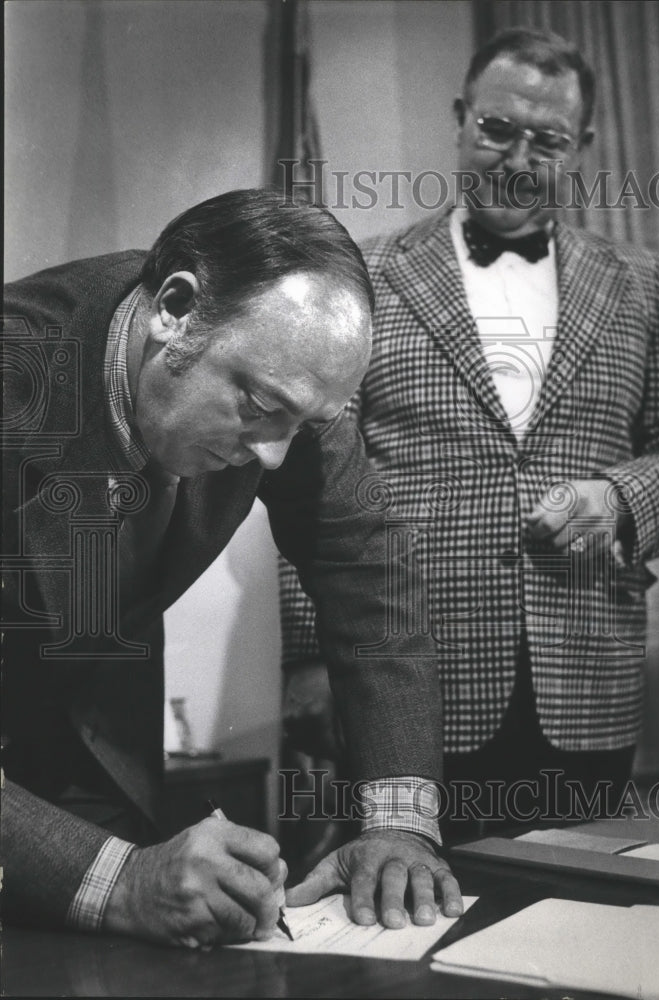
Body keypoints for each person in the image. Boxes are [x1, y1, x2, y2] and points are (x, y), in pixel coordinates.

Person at [279, 27, 659, 843]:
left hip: (584, 673)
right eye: (496, 129)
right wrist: (308, 655)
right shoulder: (367, 274)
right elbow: (309, 467)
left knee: (574, 923)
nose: (518, 157)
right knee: (404, 912)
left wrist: (620, 500)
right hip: (406, 672)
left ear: (582, 146)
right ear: (460, 119)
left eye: (547, 140)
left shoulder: (644, 282)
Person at [1, 189, 463, 947]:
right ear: (174, 309)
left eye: (303, 425)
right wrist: (118, 881)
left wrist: (399, 824)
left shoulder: (286, 376)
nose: (274, 456)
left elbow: (371, 573)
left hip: (94, 752)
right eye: (259, 408)